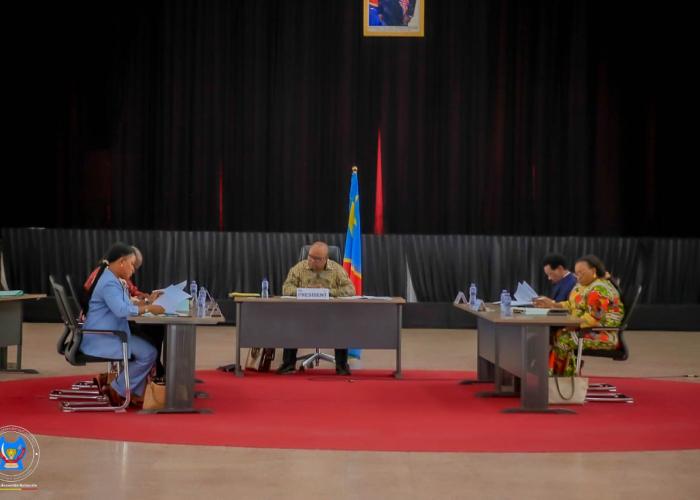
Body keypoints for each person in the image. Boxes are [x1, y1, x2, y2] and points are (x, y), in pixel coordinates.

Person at [81, 243, 165, 406]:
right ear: (121, 262)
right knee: (149, 353)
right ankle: (117, 388)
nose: (133, 269)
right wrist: (149, 308)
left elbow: (126, 304)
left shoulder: (110, 278)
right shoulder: (109, 283)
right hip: (103, 338)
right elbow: (121, 310)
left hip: (108, 334)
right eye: (132, 264)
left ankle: (130, 392)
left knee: (147, 348)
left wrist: (147, 302)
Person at [534, 255, 624, 376]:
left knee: (563, 339)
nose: (578, 276)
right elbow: (572, 304)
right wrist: (553, 304)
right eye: (576, 273)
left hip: (602, 333)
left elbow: (593, 318)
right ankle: (561, 377)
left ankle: (560, 379)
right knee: (555, 334)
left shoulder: (599, 289)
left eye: (581, 273)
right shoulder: (583, 286)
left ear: (593, 271)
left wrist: (569, 325)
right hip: (586, 329)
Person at [276, 241, 356, 376]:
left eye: (317, 259)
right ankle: (288, 364)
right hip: (303, 313)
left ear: (325, 259)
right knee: (291, 321)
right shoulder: (299, 268)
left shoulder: (336, 269)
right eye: (310, 257)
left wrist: (328, 292)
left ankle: (342, 365)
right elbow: (286, 288)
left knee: (342, 324)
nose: (312, 260)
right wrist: (304, 291)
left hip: (330, 314)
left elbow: (350, 289)